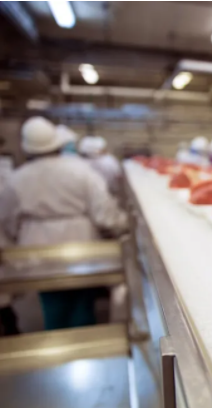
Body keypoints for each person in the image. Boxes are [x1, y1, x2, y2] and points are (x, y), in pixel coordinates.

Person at [0, 117, 127, 330]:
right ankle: (86, 340)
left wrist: (14, 243)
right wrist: (123, 225)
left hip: (38, 252)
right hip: (82, 245)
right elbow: (105, 214)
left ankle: (59, 338)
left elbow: (6, 220)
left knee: (53, 304)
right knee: (83, 304)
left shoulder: (17, 179)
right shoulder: (81, 171)